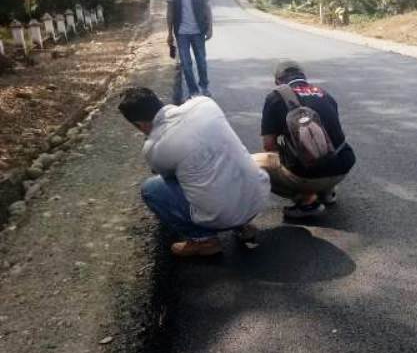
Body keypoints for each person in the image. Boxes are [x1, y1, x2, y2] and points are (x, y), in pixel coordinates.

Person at [119, 87, 270, 257]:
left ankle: (203, 240)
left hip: (223, 215)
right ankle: (243, 225)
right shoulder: (204, 103)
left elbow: (167, 177)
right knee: (219, 161)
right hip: (258, 198)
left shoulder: (154, 147)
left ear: (139, 125)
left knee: (152, 188)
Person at [254, 61, 356, 219]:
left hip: (308, 176)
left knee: (253, 163)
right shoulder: (324, 93)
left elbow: (269, 145)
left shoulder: (275, 97)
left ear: (277, 82)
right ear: (304, 78)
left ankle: (306, 200)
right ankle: (326, 192)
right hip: (342, 166)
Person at [167, 0, 213, 98]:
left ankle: (204, 87)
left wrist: (210, 28)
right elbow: (170, 12)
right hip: (181, 33)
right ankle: (193, 91)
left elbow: (207, 9)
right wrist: (169, 33)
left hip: (198, 31)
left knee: (201, 61)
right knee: (186, 64)